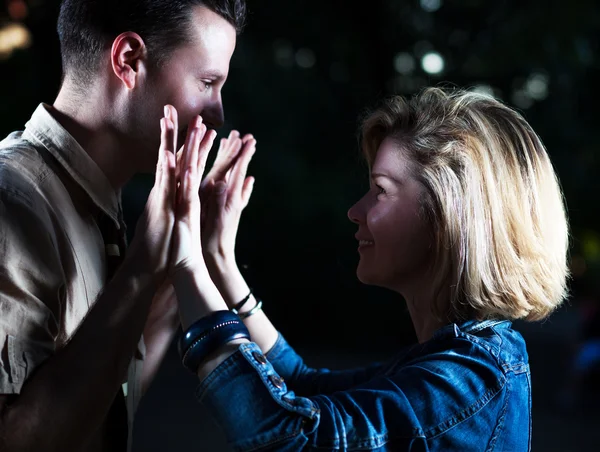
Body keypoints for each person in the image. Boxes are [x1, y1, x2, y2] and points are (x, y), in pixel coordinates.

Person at [160, 87, 570, 451]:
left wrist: (186, 263)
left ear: (448, 216)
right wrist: (218, 259)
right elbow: (300, 387)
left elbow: (288, 437)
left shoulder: (469, 384)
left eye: (381, 191)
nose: (355, 211)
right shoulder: (460, 359)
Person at [0, 1, 250, 451]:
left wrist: (181, 255)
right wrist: (142, 263)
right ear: (129, 61)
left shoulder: (96, 203)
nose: (217, 113)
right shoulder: (13, 203)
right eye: (208, 82)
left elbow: (111, 398)